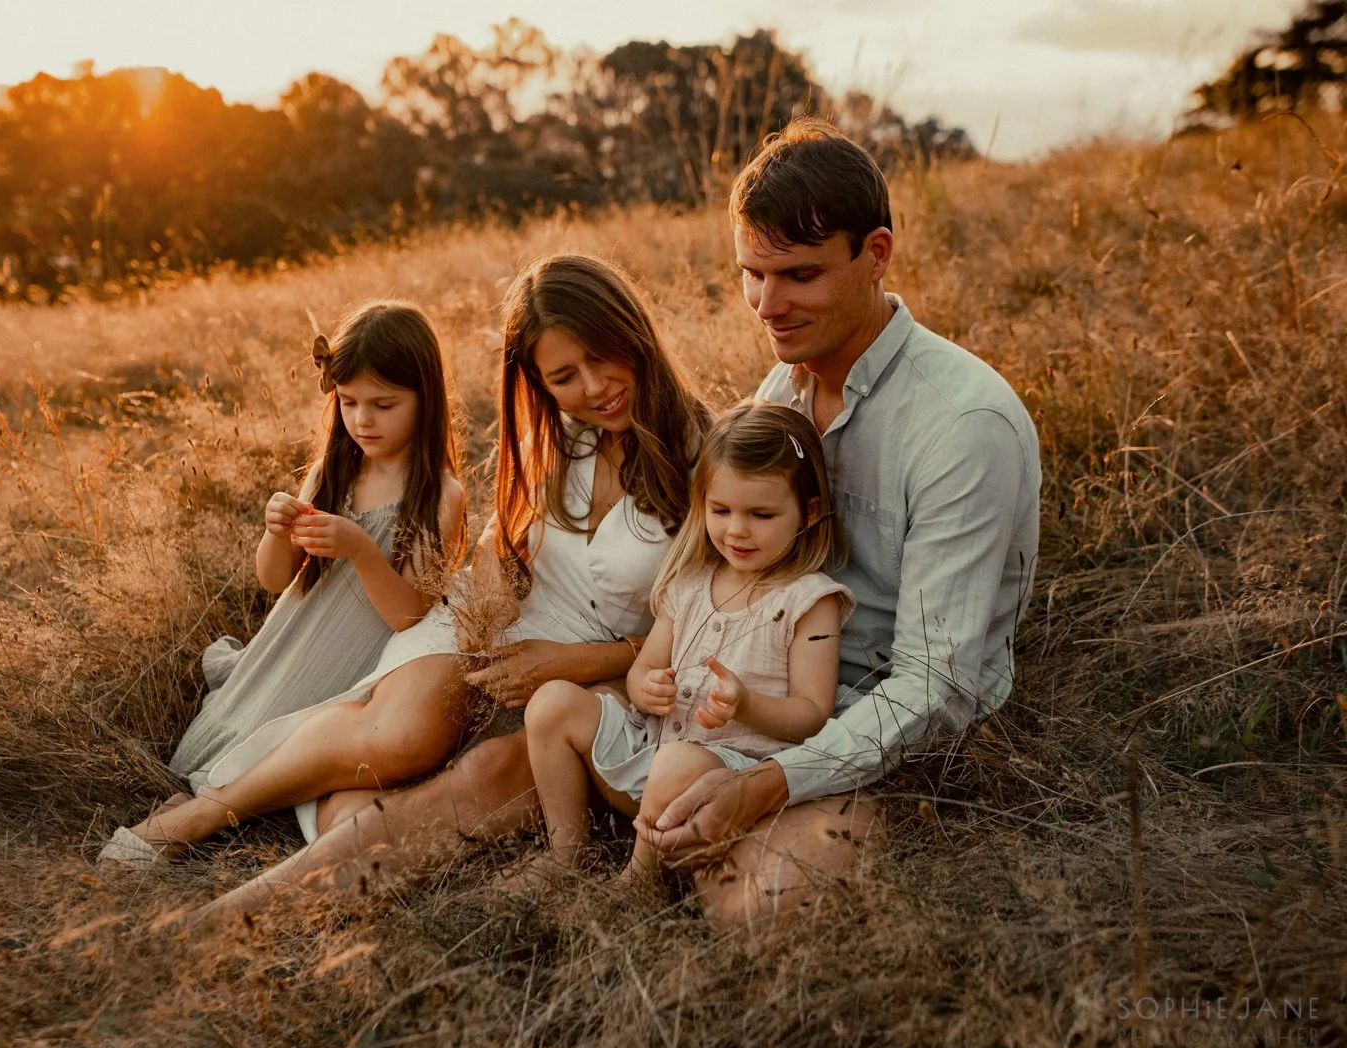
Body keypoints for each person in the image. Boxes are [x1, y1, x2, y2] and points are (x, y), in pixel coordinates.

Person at [195, 119, 1040, 926]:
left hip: (851, 730)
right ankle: (237, 917)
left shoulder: (962, 424)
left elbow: (936, 686)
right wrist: (643, 686)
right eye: (753, 272)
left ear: (877, 254)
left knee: (762, 913)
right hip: (715, 706)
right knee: (493, 767)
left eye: (800, 275)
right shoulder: (780, 396)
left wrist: (770, 781)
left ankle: (686, 853)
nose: (767, 303)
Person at [111, 251, 711, 867]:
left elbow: (709, 627)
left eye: (603, 356)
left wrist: (568, 663)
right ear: (537, 382)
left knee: (463, 775)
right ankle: (212, 809)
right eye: (562, 377)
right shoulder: (563, 435)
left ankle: (317, 821)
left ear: (634, 332)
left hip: (613, 666)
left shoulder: (711, 463)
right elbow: (499, 549)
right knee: (405, 735)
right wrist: (478, 626)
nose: (592, 388)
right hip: (498, 625)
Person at [98, 301, 467, 866]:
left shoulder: (440, 496)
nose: (363, 420)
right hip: (292, 648)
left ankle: (201, 815)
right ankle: (190, 805)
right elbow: (273, 581)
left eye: (383, 404)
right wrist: (276, 533)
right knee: (226, 744)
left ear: (426, 399)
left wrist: (361, 549)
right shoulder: (332, 472)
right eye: (348, 403)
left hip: (352, 664)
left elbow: (409, 616)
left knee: (290, 757)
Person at [522, 402, 854, 885]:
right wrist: (644, 687)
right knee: (552, 701)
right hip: (652, 756)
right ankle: (568, 851)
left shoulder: (808, 602)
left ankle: (639, 881)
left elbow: (811, 715)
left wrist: (746, 705)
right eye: (720, 510)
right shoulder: (692, 582)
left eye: (761, 514)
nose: (736, 529)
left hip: (725, 781)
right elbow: (644, 669)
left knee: (678, 763)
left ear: (810, 512)